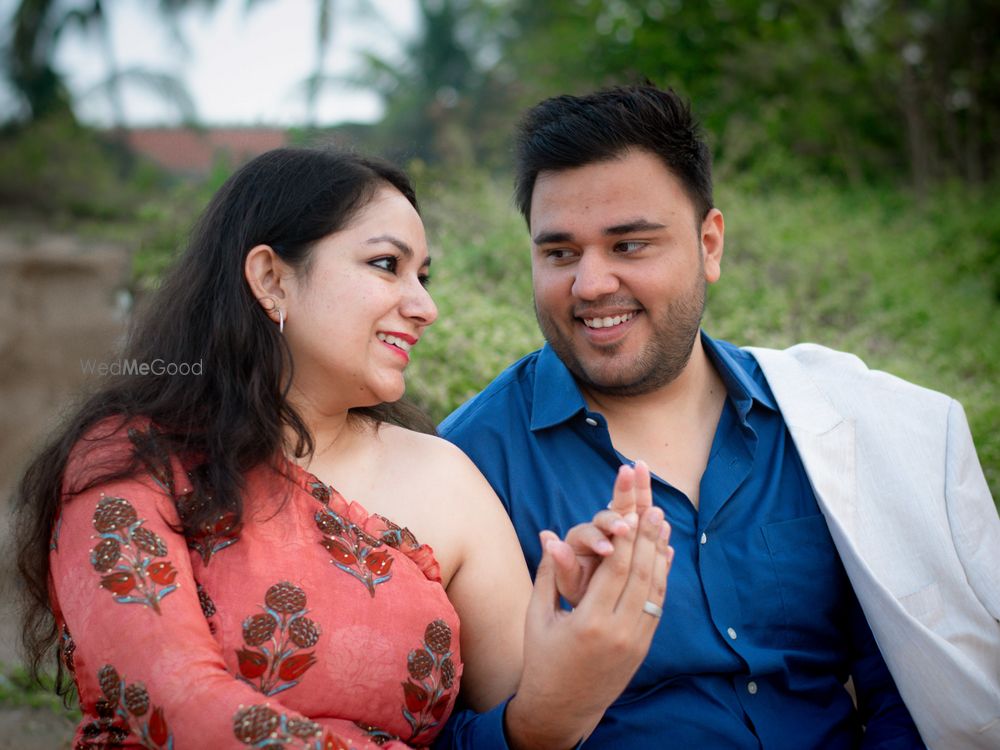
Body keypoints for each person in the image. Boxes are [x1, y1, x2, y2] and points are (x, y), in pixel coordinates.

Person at [13, 148, 674, 749]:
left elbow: (521, 727)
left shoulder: (444, 477)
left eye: (424, 276)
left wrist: (581, 640)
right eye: (386, 265)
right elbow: (183, 711)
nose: (424, 306)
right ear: (272, 279)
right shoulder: (132, 466)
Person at [438, 85, 1000, 749]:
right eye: (559, 253)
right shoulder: (466, 466)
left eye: (629, 246)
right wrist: (545, 707)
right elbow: (426, 730)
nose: (589, 284)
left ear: (710, 244)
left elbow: (908, 678)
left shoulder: (825, 425)